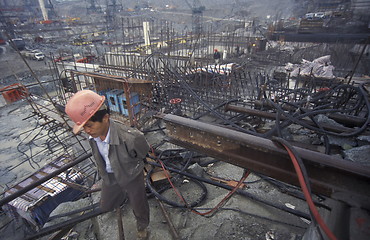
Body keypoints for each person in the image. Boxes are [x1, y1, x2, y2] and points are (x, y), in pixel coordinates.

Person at [65, 90, 150, 239]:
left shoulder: (131, 137)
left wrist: (134, 168)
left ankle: (142, 226)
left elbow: (143, 152)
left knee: (139, 204)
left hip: (131, 175)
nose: (87, 131)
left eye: (89, 126)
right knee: (106, 205)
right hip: (109, 175)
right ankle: (119, 200)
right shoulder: (94, 136)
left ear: (105, 118)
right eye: (84, 127)